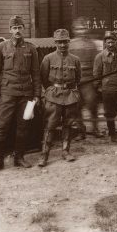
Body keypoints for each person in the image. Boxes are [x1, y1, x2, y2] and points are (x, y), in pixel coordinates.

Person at [0, 15, 41, 173]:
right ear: (9, 30)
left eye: (20, 28)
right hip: (7, 93)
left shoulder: (31, 48)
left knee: (23, 126)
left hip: (26, 94)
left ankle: (19, 157)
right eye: (14, 28)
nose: (17, 31)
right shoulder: (1, 47)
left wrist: (37, 95)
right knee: (3, 125)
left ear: (23, 29)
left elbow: (36, 73)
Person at [38, 29, 81, 167]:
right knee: (50, 126)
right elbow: (43, 78)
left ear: (69, 42)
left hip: (70, 96)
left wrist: (72, 91)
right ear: (55, 42)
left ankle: (65, 151)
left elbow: (78, 78)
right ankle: (44, 155)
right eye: (60, 42)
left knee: (68, 124)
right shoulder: (48, 58)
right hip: (53, 96)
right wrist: (50, 91)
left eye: (65, 42)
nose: (62, 45)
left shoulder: (75, 60)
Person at [69, 17, 103, 139]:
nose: (81, 31)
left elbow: (97, 63)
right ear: (74, 30)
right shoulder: (70, 45)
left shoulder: (92, 44)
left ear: (86, 29)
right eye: (78, 28)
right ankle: (80, 131)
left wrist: (96, 80)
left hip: (89, 80)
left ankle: (95, 129)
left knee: (92, 104)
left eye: (83, 28)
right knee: (76, 106)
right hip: (76, 81)